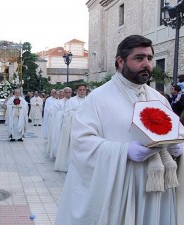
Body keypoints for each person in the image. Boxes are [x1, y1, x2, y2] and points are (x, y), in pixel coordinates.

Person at [56, 35, 184, 225]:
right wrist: (124, 151)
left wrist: (177, 147)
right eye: (139, 58)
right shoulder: (98, 98)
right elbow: (81, 143)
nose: (146, 64)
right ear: (120, 61)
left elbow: (177, 131)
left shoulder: (159, 98)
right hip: (121, 188)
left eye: (149, 58)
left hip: (158, 190)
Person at [54, 84, 87, 172]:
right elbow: (67, 114)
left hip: (86, 128)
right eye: (80, 90)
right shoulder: (72, 101)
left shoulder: (89, 100)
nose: (82, 91)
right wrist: (77, 114)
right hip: (74, 127)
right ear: (76, 91)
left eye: (84, 90)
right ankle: (72, 165)